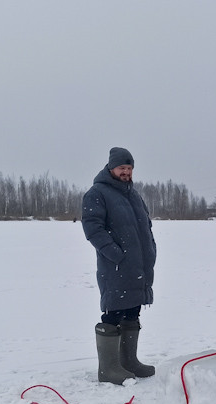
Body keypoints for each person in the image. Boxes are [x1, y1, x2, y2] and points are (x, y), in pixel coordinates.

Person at [82, 147, 157, 384]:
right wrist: (116, 254)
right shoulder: (97, 193)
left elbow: (146, 226)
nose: (126, 172)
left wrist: (150, 251)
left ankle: (128, 362)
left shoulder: (133, 195)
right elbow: (93, 228)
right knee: (114, 311)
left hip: (139, 266)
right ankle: (108, 369)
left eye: (129, 168)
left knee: (132, 309)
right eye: (122, 168)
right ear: (111, 168)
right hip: (116, 266)